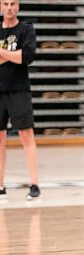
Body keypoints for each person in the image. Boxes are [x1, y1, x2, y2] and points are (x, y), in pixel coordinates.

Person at [0, 0, 41, 200]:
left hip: (19, 90)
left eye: (13, 3)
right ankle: (0, 186)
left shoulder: (26, 29)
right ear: (0, 6)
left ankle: (34, 184)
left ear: (18, 6)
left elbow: (27, 57)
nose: (9, 7)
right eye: (5, 3)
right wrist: (13, 55)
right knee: (0, 139)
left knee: (26, 135)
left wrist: (1, 53)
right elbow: (18, 56)